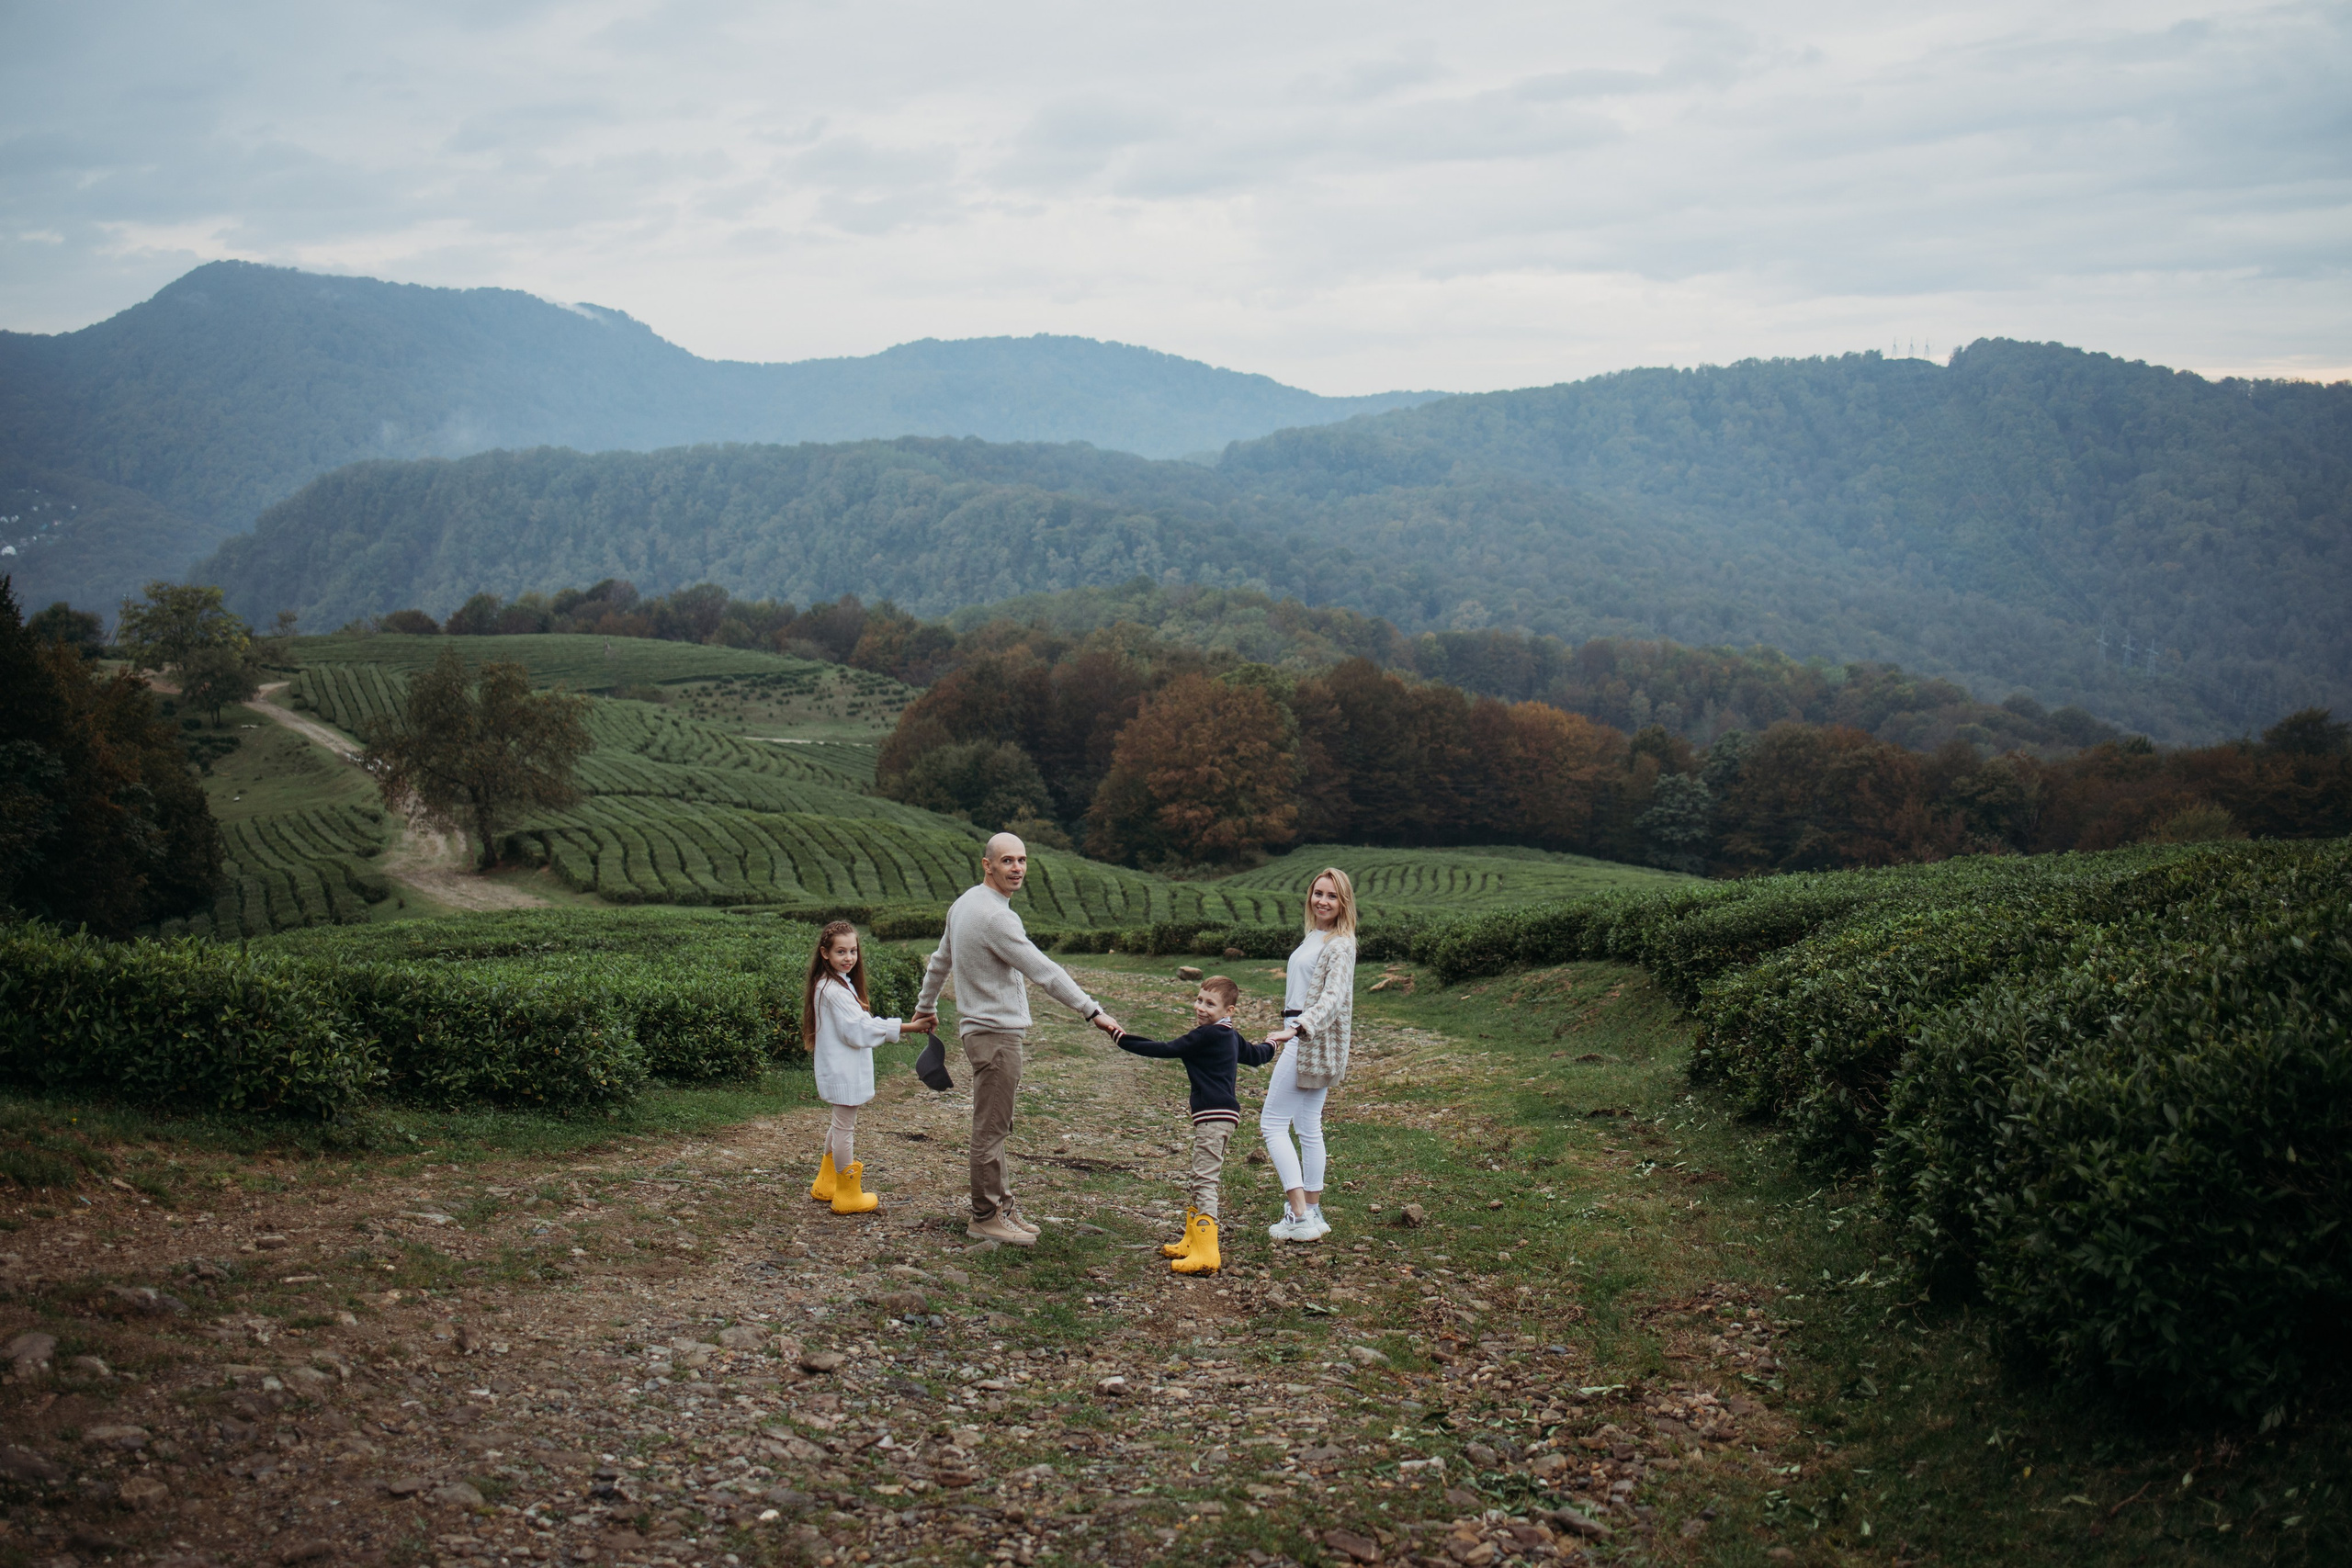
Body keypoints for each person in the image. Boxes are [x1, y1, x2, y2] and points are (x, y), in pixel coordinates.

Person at [911, 832, 1124, 1246]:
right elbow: (1043, 970)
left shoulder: (965, 903)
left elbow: (940, 962)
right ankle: (984, 1215)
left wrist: (926, 1005)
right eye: (1007, 861)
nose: (1017, 868)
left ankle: (1002, 1206)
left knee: (996, 1123)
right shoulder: (996, 917)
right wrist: (1092, 1011)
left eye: (1023, 860)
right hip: (996, 1035)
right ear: (987, 864)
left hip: (981, 1032)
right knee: (991, 1127)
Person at [1105, 975, 1276, 1276]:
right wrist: (1275, 1041)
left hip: (1214, 1116)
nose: (1201, 1008)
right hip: (1220, 1117)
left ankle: (1208, 1252)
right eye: (1199, 1000)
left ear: (1229, 1011)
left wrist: (1121, 1038)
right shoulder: (1230, 1036)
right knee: (1199, 1177)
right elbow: (1257, 1055)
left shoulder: (1207, 1035)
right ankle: (1191, 1241)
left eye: (1210, 1004)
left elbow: (1165, 1048)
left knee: (1205, 1179)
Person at [1261, 867, 1359, 1244]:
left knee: (1272, 1124)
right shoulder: (1314, 937)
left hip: (1307, 1039)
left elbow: (1332, 999)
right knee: (1308, 1126)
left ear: (1343, 902)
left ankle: (1298, 1215)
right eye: (1318, 893)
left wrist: (1296, 1029)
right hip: (1303, 1034)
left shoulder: (1340, 944)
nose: (1323, 901)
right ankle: (1313, 1212)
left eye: (1332, 896)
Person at [804, 919, 904, 1216]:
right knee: (845, 1126)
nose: (849, 958)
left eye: (853, 951)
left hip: (840, 1067)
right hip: (843, 1069)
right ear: (825, 953)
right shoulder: (834, 990)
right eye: (840, 952)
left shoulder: (834, 983)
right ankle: (847, 1194)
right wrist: (906, 1027)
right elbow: (858, 1030)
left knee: (839, 1123)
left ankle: (826, 1182)